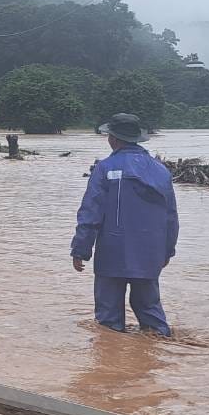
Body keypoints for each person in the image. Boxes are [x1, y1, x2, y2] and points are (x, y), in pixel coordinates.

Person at [70, 112, 178, 336]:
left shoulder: (104, 168)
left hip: (112, 253)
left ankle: (112, 354)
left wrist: (80, 249)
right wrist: (167, 250)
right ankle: (161, 353)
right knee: (151, 315)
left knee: (108, 323)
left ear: (113, 138)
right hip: (149, 253)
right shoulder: (161, 171)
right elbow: (170, 216)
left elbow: (91, 213)